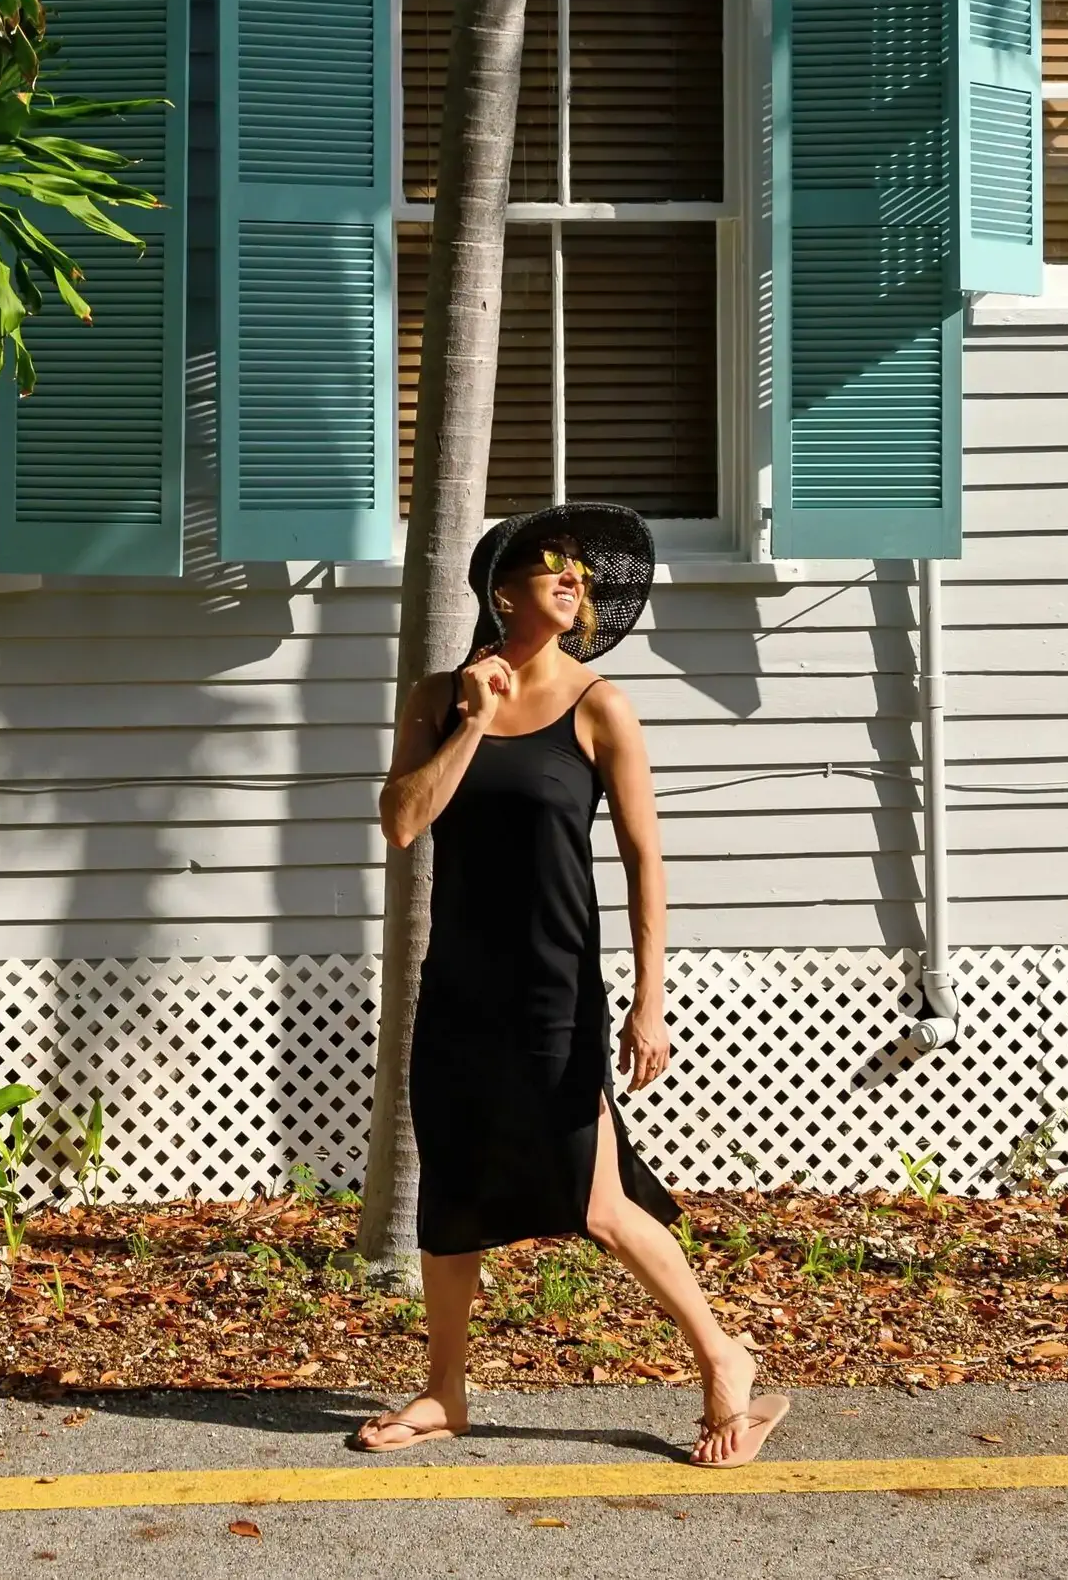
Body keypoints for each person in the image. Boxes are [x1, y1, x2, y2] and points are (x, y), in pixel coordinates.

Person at [356, 503, 788, 1468]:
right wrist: (472, 719)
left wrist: (649, 998)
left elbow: (645, 861)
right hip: (459, 986)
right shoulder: (436, 696)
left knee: (593, 1203)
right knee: (453, 1193)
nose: (571, 581)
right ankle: (445, 1392)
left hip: (557, 990)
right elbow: (400, 822)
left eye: (581, 574)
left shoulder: (601, 707)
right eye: (551, 567)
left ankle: (724, 1358)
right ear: (502, 590)